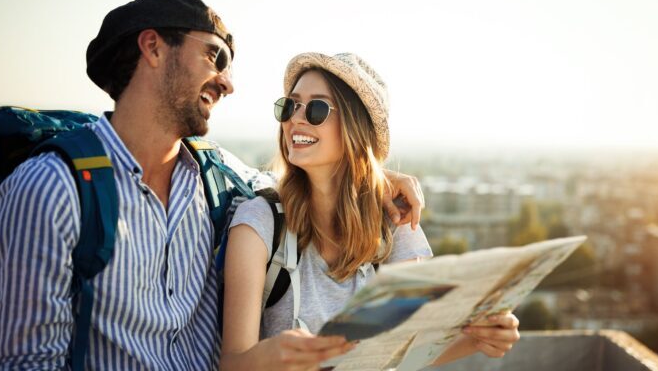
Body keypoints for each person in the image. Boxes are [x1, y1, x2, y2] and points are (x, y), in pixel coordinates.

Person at [0, 0, 424, 370]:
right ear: (153, 48)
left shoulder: (217, 179)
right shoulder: (48, 192)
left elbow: (303, 181)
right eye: (216, 56)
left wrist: (376, 176)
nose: (228, 83)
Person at [219, 53, 520, 370]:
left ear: (355, 128)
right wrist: (274, 355)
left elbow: (407, 347)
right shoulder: (259, 223)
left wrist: (479, 337)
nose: (296, 118)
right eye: (290, 105)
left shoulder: (394, 223)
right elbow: (232, 362)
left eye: (317, 108)